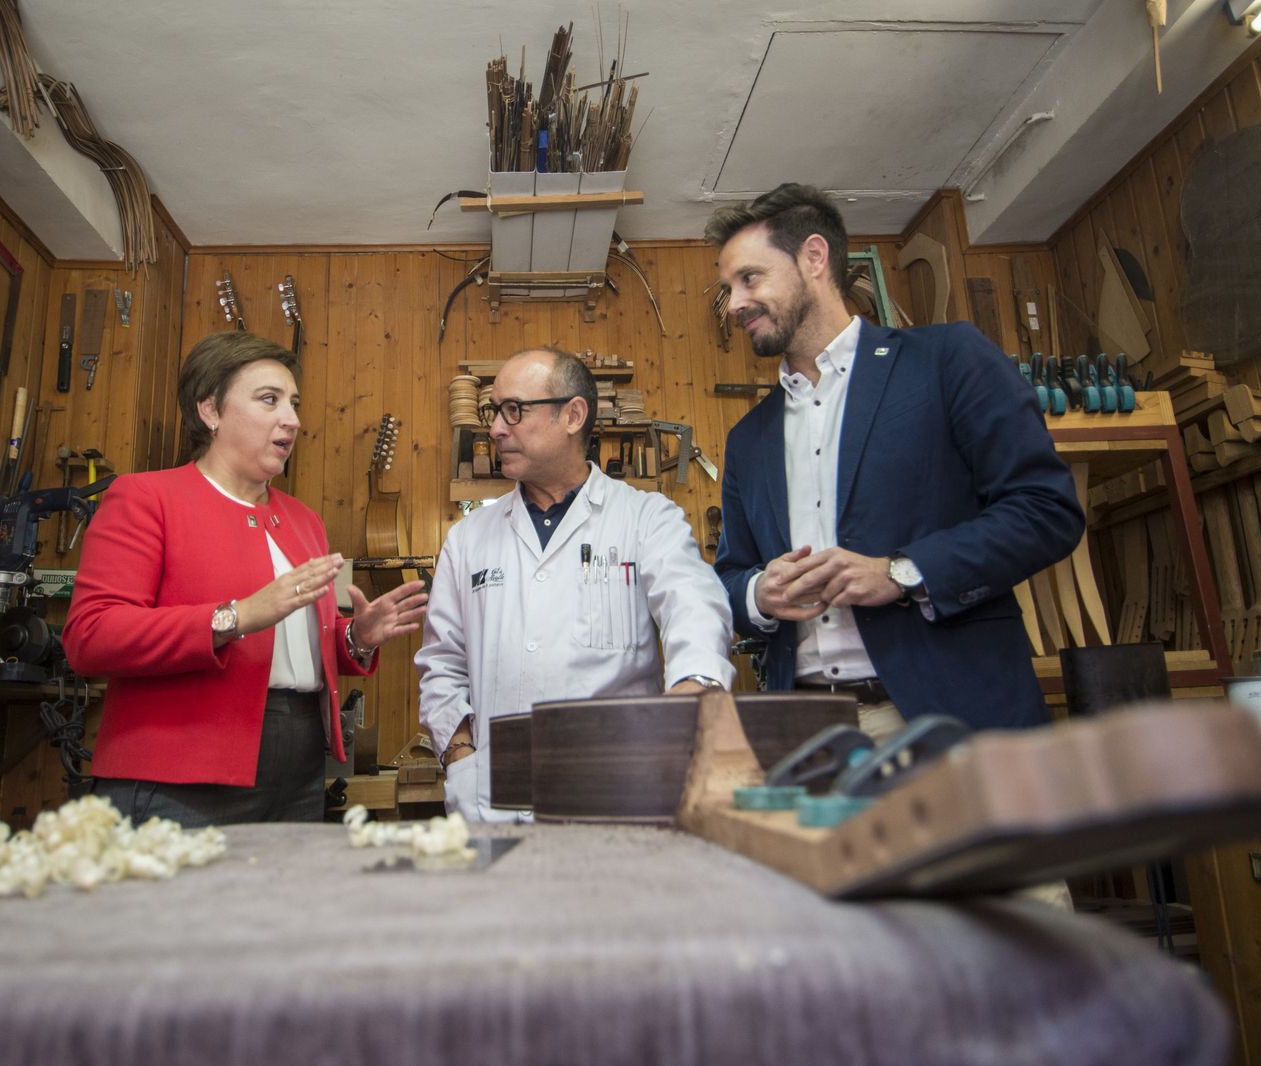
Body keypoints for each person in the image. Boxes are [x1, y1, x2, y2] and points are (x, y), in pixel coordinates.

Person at [706, 183, 1086, 739]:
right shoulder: (749, 439)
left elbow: (1045, 510)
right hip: (811, 735)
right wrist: (759, 594)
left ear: (814, 257)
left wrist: (901, 573)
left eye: (750, 278)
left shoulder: (946, 361)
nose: (734, 303)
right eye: (728, 287)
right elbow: (731, 574)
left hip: (952, 719)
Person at [66, 331, 427, 826]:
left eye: (294, 403)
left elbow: (296, 651)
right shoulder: (146, 498)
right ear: (210, 411)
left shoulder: (304, 521)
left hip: (299, 763)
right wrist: (237, 616)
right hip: (181, 771)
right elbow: (91, 637)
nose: (293, 419)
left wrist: (356, 639)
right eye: (269, 400)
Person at [416, 347, 735, 822]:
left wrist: (695, 686)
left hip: (616, 799)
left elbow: (695, 607)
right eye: (492, 411)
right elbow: (443, 663)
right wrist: (460, 756)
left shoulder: (646, 519)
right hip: (494, 803)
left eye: (513, 410)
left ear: (573, 414)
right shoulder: (468, 539)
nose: (496, 428)